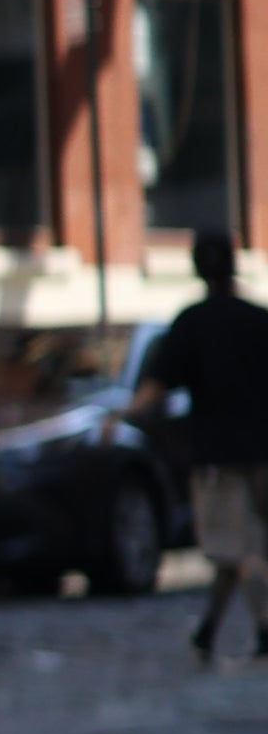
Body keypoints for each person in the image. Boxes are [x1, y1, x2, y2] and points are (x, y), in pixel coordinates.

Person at [154, 225, 268, 665]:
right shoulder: (259, 320)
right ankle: (208, 631)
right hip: (262, 452)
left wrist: (116, 417)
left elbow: (157, 387)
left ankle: (263, 627)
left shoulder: (192, 324)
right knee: (238, 550)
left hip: (219, 456)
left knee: (239, 548)